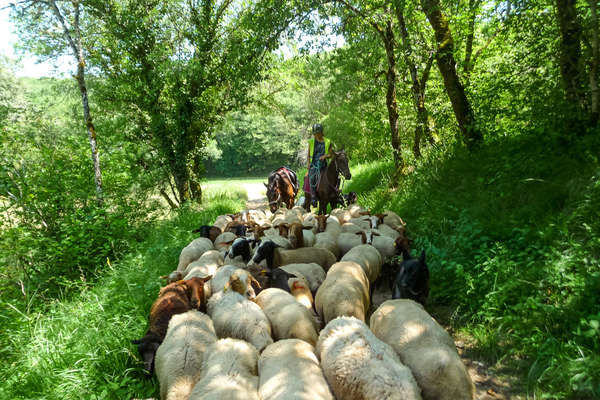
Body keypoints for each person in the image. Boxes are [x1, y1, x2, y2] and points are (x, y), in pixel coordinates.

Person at [306, 123, 333, 207]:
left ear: (321, 132)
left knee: (335, 176)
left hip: (324, 164)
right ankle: (313, 197)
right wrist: (308, 163)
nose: (316, 135)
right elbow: (308, 155)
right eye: (315, 133)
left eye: (317, 133)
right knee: (312, 176)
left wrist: (325, 156)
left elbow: (331, 154)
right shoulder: (311, 142)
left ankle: (335, 194)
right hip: (314, 164)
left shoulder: (328, 141)